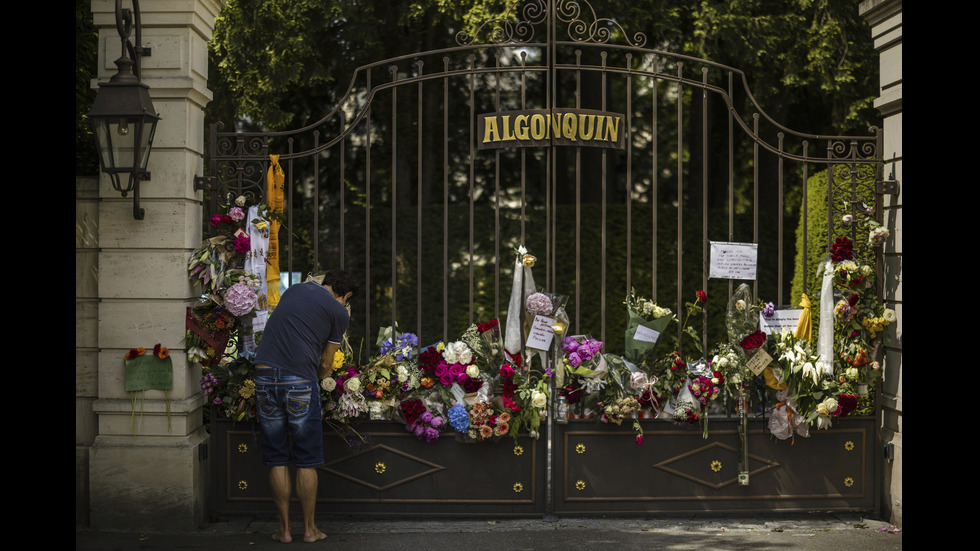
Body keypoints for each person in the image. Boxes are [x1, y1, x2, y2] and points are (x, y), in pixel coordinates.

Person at [253, 270, 357, 543]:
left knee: (276, 456)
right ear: (346, 295)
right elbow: (325, 363)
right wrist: (323, 378)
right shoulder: (339, 312)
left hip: (264, 376)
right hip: (299, 380)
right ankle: (310, 530)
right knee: (306, 459)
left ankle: (284, 530)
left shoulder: (295, 290)